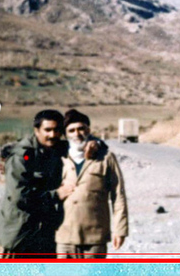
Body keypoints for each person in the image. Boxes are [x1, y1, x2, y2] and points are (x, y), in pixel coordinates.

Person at [0, 109, 104, 258]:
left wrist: (96, 144)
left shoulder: (57, 148)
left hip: (45, 235)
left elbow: (85, 144)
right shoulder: (22, 156)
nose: (52, 135)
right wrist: (57, 194)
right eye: (47, 130)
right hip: (19, 236)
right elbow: (20, 197)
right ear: (37, 130)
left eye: (57, 130)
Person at [55, 109, 128, 259]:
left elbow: (118, 195)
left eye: (81, 128)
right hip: (63, 236)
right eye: (71, 130)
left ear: (88, 130)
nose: (77, 134)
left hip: (95, 237)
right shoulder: (58, 157)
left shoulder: (105, 157)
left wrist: (120, 230)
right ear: (65, 134)